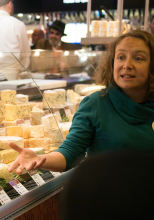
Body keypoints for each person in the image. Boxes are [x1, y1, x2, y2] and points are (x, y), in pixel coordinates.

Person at [8, 30, 154, 174]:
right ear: (112, 63)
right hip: (109, 194)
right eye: (121, 57)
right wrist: (39, 158)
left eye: (138, 58)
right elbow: (71, 152)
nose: (127, 65)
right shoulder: (95, 104)